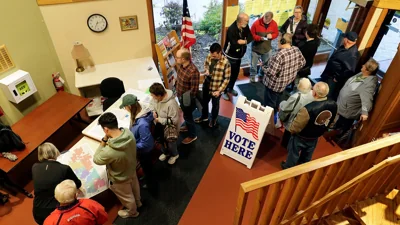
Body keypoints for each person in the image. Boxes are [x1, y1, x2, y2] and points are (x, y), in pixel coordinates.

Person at [93, 112, 141, 218]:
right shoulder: (128, 133)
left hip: (120, 178)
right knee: (135, 188)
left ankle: (132, 212)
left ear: (106, 129)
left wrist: (104, 140)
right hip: (132, 169)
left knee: (127, 197)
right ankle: (138, 202)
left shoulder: (109, 151)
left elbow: (96, 159)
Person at [281, 82, 337, 169]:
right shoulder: (333, 104)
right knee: (308, 153)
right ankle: (303, 167)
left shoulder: (308, 108)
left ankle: (288, 167)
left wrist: (291, 130)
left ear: (314, 93)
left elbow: (297, 126)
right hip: (316, 135)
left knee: (294, 153)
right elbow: (332, 121)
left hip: (301, 136)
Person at [32, 142, 82, 225]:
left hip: (37, 211)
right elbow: (78, 184)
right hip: (56, 212)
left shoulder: (35, 167)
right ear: (55, 151)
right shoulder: (64, 168)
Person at [335, 58, 379, 137]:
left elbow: (367, 100)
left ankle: (338, 136)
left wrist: (365, 113)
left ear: (368, 71)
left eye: (364, 66)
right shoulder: (361, 74)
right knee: (339, 121)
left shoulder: (368, 85)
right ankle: (336, 129)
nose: (362, 65)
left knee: (344, 125)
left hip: (349, 110)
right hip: (343, 106)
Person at [262, 33, 306, 112]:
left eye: (278, 41)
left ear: (282, 42)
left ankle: (269, 120)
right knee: (278, 101)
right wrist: (293, 70)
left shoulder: (279, 55)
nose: (277, 43)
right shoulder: (296, 49)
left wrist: (263, 67)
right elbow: (303, 63)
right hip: (286, 83)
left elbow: (271, 72)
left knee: (269, 105)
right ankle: (276, 115)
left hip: (273, 85)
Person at [119, 94, 155, 190]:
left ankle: (151, 183)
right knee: (145, 166)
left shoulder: (142, 124)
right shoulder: (138, 113)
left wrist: (132, 146)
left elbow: (147, 143)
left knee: (147, 167)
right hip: (140, 148)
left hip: (144, 151)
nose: (125, 109)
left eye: (125, 107)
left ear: (130, 106)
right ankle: (148, 176)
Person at [195, 43, 231, 127]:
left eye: (214, 56)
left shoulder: (226, 63)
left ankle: (213, 119)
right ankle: (204, 117)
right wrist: (206, 70)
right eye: (211, 55)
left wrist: (219, 91)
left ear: (220, 53)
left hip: (217, 87)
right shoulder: (209, 56)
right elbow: (206, 64)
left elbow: (226, 79)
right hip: (207, 83)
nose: (212, 57)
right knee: (204, 102)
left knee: (215, 105)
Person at [43, 180, 108, 225]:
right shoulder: (90, 205)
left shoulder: (51, 221)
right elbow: (103, 217)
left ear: (56, 198)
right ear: (76, 195)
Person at [321, 31, 360, 100]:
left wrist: (337, 78)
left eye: (344, 37)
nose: (343, 39)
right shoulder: (343, 47)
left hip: (333, 80)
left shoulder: (352, 55)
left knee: (326, 96)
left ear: (346, 40)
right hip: (328, 74)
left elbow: (349, 71)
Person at [223, 12, 254, 101]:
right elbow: (234, 44)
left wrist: (243, 42)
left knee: (235, 74)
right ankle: (224, 91)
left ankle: (230, 88)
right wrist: (240, 42)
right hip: (230, 56)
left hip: (239, 56)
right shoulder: (231, 29)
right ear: (240, 22)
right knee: (227, 75)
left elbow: (250, 37)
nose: (248, 23)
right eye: (247, 21)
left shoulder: (245, 26)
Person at [149, 83, 180, 165]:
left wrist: (160, 120)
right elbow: (151, 103)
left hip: (170, 128)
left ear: (159, 95)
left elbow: (174, 120)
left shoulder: (171, 103)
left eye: (153, 96)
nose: (152, 97)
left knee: (171, 142)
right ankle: (166, 153)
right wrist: (153, 111)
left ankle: (175, 155)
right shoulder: (156, 99)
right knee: (161, 140)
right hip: (160, 125)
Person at [278, 78, 314, 148]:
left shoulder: (296, 96)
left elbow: (286, 108)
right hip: (303, 121)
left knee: (287, 135)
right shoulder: (312, 95)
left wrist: (282, 103)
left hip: (292, 120)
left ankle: (284, 147)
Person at [175, 48, 199, 144]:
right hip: (180, 96)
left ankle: (192, 135)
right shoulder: (181, 66)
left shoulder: (193, 71)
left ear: (183, 59)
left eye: (177, 57)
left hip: (187, 100)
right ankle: (187, 126)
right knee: (186, 115)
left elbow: (194, 90)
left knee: (188, 117)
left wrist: (186, 102)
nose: (176, 59)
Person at [249, 11, 279, 82]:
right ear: (263, 17)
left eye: (268, 21)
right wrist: (259, 38)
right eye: (265, 20)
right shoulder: (256, 23)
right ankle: (252, 77)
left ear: (271, 19)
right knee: (253, 65)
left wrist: (272, 36)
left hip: (267, 48)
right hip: (256, 48)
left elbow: (276, 33)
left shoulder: (274, 24)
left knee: (266, 64)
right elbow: (251, 35)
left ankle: (261, 75)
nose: (266, 22)